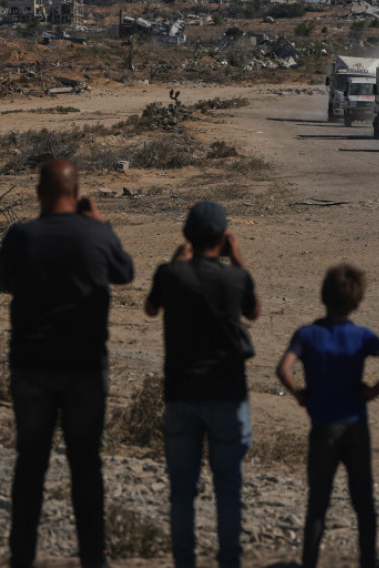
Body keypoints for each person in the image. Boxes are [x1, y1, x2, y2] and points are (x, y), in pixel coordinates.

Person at [0, 159, 134, 568]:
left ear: (38, 192)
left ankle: (21, 555)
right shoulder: (95, 234)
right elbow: (124, 272)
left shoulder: (20, 236)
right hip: (85, 367)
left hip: (32, 365)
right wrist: (101, 224)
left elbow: (6, 281)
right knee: (86, 466)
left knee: (31, 464)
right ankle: (94, 555)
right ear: (75, 194)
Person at [144, 201, 260, 568]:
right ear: (223, 238)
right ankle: (229, 560)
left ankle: (185, 562)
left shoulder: (170, 275)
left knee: (182, 490)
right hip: (227, 394)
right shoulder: (235, 278)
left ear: (187, 236)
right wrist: (239, 259)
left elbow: (150, 309)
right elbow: (254, 310)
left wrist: (177, 261)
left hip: (182, 394)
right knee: (228, 487)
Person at [276, 264, 379, 568]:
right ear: (357, 302)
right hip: (355, 426)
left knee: (318, 503)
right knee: (363, 502)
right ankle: (368, 562)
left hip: (323, 427)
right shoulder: (361, 336)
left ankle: (309, 562)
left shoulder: (307, 334)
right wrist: (373, 392)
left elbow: (283, 368)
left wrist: (299, 394)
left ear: (323, 296)